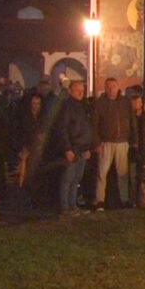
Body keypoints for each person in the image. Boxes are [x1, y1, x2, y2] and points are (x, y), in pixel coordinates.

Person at [91, 77, 134, 211]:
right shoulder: (100, 103)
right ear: (105, 88)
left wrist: (134, 140)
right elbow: (94, 125)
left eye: (113, 86)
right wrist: (97, 143)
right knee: (102, 173)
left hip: (122, 142)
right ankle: (100, 201)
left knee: (123, 173)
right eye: (108, 87)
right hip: (106, 142)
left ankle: (124, 199)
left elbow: (132, 121)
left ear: (117, 87)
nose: (111, 89)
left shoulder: (125, 102)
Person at [54, 79, 92, 216]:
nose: (81, 93)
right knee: (68, 178)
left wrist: (87, 147)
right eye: (77, 90)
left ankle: (73, 205)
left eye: (82, 90)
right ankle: (65, 207)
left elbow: (86, 128)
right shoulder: (67, 106)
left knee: (76, 178)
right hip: (73, 148)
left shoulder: (82, 106)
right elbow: (62, 129)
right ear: (70, 91)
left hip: (81, 148)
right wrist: (67, 149)